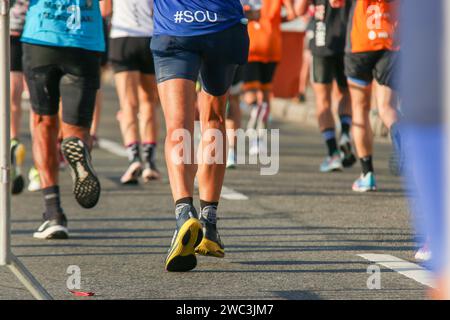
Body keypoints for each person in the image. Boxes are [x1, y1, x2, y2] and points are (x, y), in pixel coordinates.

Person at [151, 0, 249, 272]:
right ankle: (209, 224)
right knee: (215, 120)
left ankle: (184, 214)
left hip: (175, 27)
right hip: (223, 27)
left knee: (179, 127)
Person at [21, 0, 104, 239]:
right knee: (76, 129)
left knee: (43, 122)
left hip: (41, 36)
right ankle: (76, 153)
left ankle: (53, 212)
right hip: (85, 39)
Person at [337, 0, 401, 192]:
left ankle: (367, 174)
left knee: (360, 109)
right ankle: (404, 139)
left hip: (360, 43)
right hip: (390, 41)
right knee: (387, 107)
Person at [295, 0, 356, 173]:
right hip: (347, 39)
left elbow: (299, 9)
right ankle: (345, 132)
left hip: (322, 41)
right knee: (345, 93)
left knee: (322, 99)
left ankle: (333, 154)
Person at [107, 0, 161, 184]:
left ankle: (134, 159)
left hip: (122, 38)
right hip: (149, 36)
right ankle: (150, 163)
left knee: (128, 104)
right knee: (148, 102)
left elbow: (105, 9)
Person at [243, 0, 295, 155]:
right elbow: (292, 14)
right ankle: (259, 139)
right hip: (272, 47)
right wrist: (277, 21)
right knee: (265, 96)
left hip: (252, 48)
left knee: (251, 94)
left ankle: (255, 113)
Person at [226, 0, 262, 169]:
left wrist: (239, 13)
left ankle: (230, 151)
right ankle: (206, 147)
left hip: (233, 46)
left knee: (232, 99)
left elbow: (256, 13)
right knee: (204, 101)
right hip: (204, 46)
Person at [9, 0, 29, 195]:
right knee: (12, 99)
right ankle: (13, 143)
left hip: (34, 34)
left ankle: (13, 144)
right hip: (15, 32)